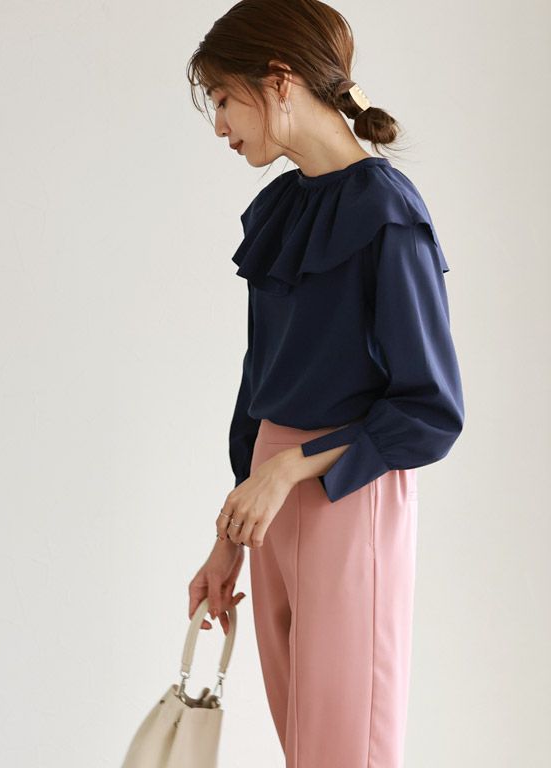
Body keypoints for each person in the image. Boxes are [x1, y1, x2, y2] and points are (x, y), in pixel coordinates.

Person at [185, 2, 465, 766]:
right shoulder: (283, 209)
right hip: (269, 499)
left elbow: (430, 411)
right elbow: (260, 385)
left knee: (346, 750)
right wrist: (227, 541)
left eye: (224, 98)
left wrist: (291, 469)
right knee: (307, 751)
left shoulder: (387, 211)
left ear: (279, 81)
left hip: (345, 493)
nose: (220, 124)